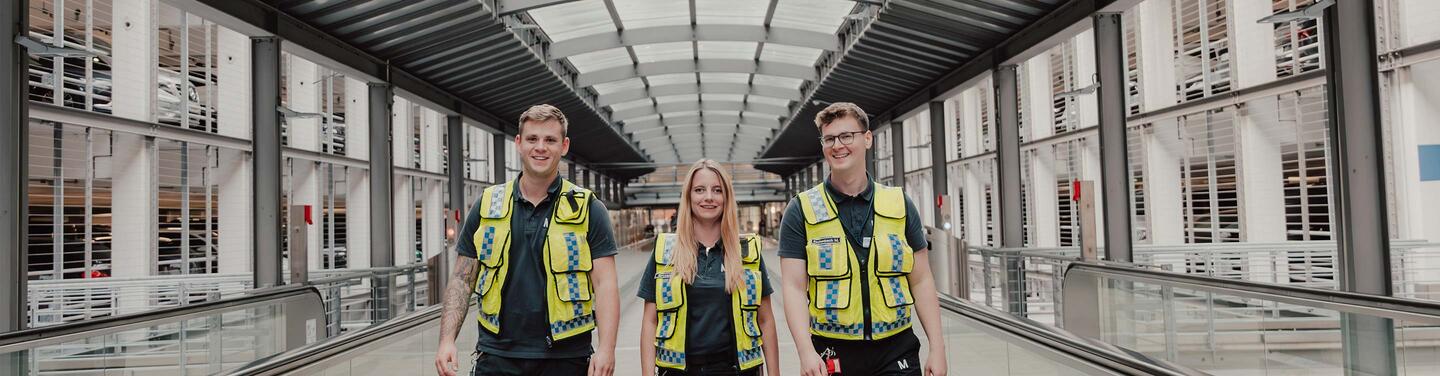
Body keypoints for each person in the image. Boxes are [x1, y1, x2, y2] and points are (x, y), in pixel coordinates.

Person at [435, 104, 620, 376]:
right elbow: (463, 279)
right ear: (519, 143)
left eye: (550, 140)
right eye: (532, 139)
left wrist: (607, 348)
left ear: (564, 146)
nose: (540, 147)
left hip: (567, 358)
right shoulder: (487, 205)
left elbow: (606, 284)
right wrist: (446, 340)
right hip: (497, 356)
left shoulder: (589, 208)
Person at [777, 102, 948, 376]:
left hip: (897, 348)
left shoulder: (898, 204)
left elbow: (922, 279)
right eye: (829, 139)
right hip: (831, 351)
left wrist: (937, 348)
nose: (838, 145)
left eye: (847, 136)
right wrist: (805, 351)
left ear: (867, 139)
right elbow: (794, 288)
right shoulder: (802, 210)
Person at [638, 160, 781, 376]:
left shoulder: (747, 252)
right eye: (699, 190)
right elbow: (650, 321)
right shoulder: (665, 251)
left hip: (737, 370)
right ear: (688, 197)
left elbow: (766, 320)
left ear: (727, 197)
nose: (708, 197)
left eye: (717, 190)